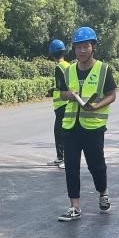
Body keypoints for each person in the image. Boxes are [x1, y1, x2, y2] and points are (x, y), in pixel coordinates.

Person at [57, 26, 116, 221]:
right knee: (71, 166)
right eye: (78, 47)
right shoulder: (68, 71)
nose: (82, 51)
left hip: (93, 127)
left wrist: (97, 106)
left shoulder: (103, 69)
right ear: (74, 49)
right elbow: (62, 93)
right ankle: (74, 206)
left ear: (93, 47)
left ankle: (103, 192)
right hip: (70, 126)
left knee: (96, 165)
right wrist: (68, 95)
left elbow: (112, 95)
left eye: (86, 46)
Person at [46, 38, 68, 166]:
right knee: (61, 132)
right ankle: (61, 158)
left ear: (53, 54)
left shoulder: (59, 67)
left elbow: (61, 87)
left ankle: (64, 159)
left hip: (62, 105)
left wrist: (54, 90)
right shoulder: (68, 65)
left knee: (60, 132)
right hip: (67, 103)